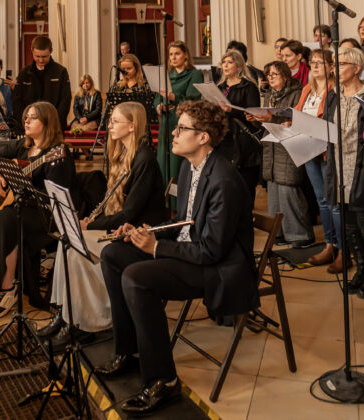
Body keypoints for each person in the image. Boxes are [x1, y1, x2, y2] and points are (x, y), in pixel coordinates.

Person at [96, 100, 258, 415]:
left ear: (203, 138)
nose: (173, 133)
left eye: (181, 128)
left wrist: (155, 247)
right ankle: (128, 350)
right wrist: (146, 231)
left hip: (218, 268)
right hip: (191, 252)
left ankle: (164, 380)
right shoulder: (188, 167)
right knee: (113, 254)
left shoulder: (223, 181)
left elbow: (211, 250)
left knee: (137, 278)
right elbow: (184, 223)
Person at [39, 101, 168, 348]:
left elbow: (129, 213)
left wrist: (90, 226)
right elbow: (116, 207)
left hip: (137, 236)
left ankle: (83, 323)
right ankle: (66, 315)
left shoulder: (144, 159)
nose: (109, 126)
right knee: (67, 243)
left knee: (75, 249)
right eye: (110, 121)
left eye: (115, 121)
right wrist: (93, 220)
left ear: (132, 126)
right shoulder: (125, 153)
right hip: (122, 229)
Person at [0, 102, 79, 318]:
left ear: (47, 122)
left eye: (33, 117)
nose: (26, 121)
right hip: (20, 206)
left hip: (44, 213)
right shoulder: (22, 146)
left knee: (6, 220)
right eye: (26, 117)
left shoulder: (57, 154)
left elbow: (55, 196)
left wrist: (26, 186)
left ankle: (8, 288)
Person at [324, 47, 364, 295]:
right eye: (334, 64)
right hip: (337, 163)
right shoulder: (333, 95)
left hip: (361, 163)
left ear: (357, 68)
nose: (335, 68)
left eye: (341, 64)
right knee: (348, 223)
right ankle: (360, 269)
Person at [247, 61, 314, 248]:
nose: (270, 78)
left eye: (274, 74)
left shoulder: (297, 93)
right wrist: (255, 120)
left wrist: (272, 118)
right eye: (268, 75)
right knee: (274, 192)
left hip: (288, 145)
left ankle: (300, 235)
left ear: (285, 76)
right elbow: (266, 124)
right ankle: (279, 232)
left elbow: (295, 120)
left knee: (288, 190)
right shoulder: (269, 94)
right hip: (271, 146)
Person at [290, 49, 339, 266]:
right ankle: (329, 244)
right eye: (313, 62)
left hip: (327, 149)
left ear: (331, 66)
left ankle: (342, 249)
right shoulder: (307, 89)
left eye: (320, 62)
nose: (316, 66)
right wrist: (290, 123)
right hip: (309, 149)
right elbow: (298, 113)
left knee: (334, 201)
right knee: (322, 200)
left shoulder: (335, 89)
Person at [154, 41, 204, 185]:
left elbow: (193, 100)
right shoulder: (166, 75)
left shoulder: (195, 74)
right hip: (166, 121)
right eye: (171, 54)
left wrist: (173, 97)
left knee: (177, 163)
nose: (173, 57)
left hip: (182, 123)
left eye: (177, 53)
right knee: (163, 162)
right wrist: (159, 106)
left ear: (185, 55)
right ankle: (164, 196)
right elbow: (157, 98)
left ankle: (177, 197)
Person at [216, 50, 261, 202]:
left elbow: (253, 114)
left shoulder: (248, 87)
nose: (225, 65)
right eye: (224, 62)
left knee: (244, 188)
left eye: (230, 62)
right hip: (223, 139)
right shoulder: (220, 87)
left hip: (242, 141)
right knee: (227, 185)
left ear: (239, 66)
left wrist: (231, 110)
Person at [12, 36, 71, 131]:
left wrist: (54, 122)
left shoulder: (61, 72)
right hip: (29, 126)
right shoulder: (24, 73)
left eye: (44, 57)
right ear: (32, 51)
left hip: (54, 126)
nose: (40, 60)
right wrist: (26, 121)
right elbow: (17, 101)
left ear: (51, 51)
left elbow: (65, 100)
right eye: (37, 56)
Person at [111, 53, 156, 127]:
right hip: (121, 124)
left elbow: (150, 108)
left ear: (136, 68)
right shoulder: (118, 86)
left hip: (140, 123)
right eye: (123, 69)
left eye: (129, 68)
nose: (126, 71)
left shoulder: (145, 85)